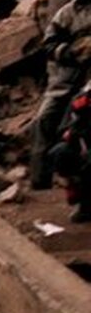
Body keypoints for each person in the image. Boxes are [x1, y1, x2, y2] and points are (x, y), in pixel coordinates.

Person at [31, 0, 91, 190]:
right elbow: (49, 44)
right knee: (44, 120)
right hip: (67, 79)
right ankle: (41, 179)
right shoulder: (68, 13)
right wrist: (71, 52)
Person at [51, 83, 91, 221]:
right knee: (60, 152)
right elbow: (64, 130)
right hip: (84, 145)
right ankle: (82, 201)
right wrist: (75, 130)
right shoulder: (81, 100)